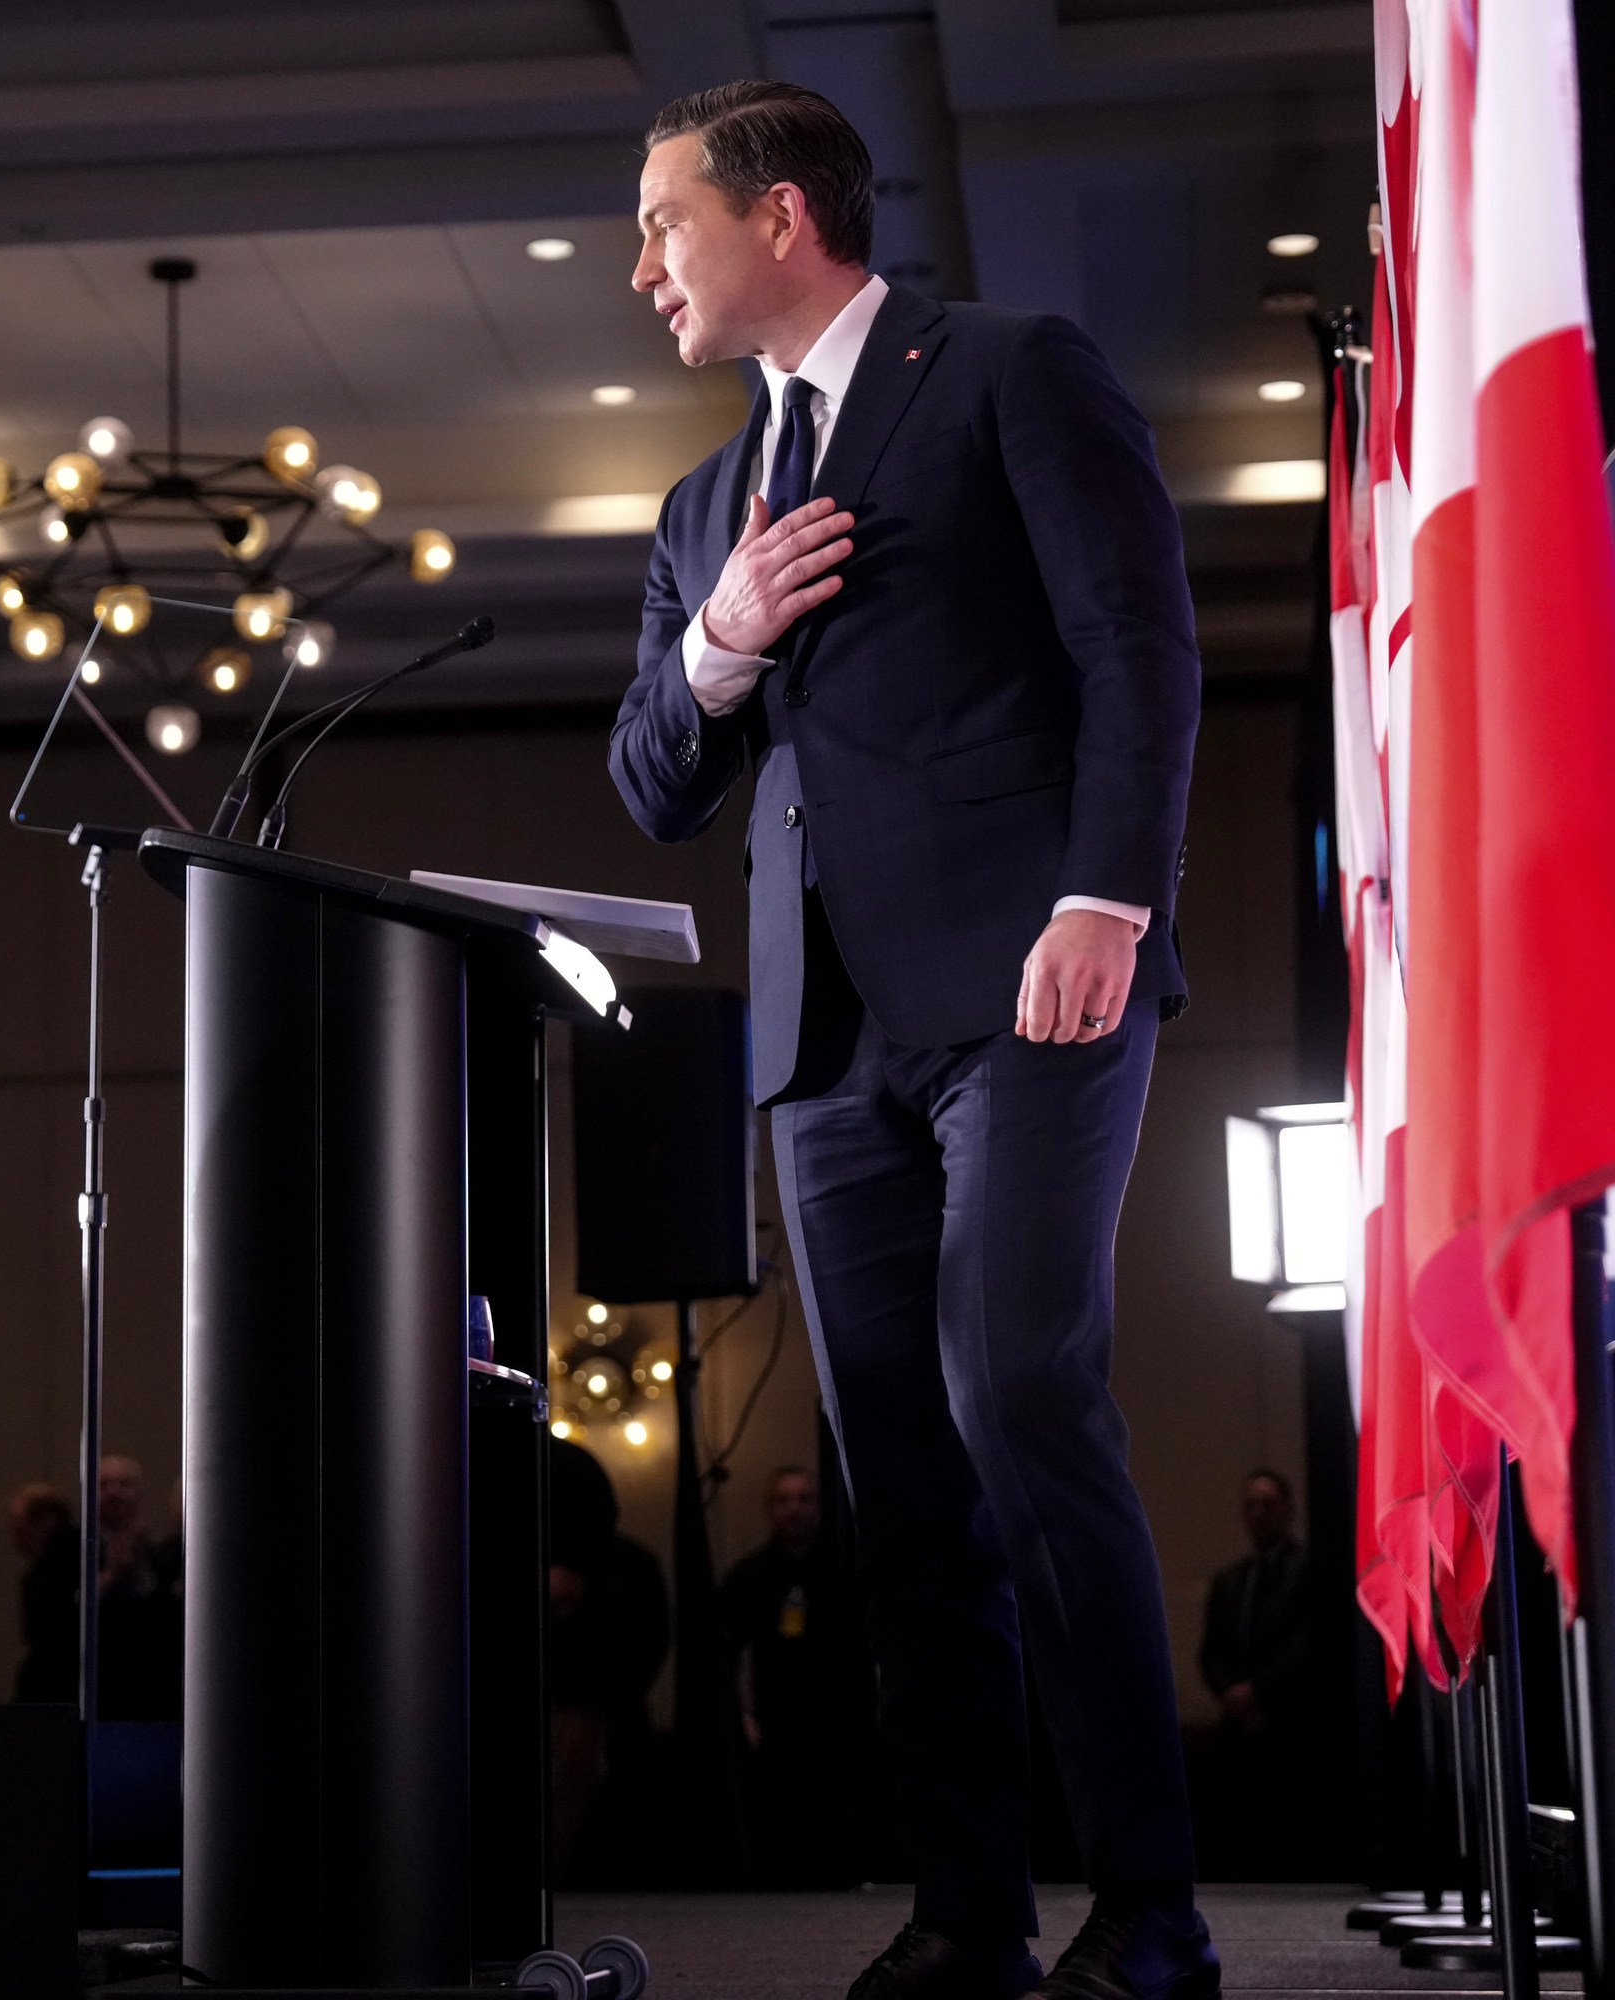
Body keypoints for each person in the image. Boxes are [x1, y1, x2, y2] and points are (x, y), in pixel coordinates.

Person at [608, 80, 1209, 2000]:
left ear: (782, 218)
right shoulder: (706, 506)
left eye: (665, 226)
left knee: (1024, 1397)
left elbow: (1138, 643)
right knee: (897, 1489)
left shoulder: (1011, 367)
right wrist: (715, 643)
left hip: (1034, 978)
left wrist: (1108, 898)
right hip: (827, 1047)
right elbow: (651, 784)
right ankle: (970, 1918)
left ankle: (1156, 1913)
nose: (643, 271)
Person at [723, 1465, 878, 1886]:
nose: (794, 1509)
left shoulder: (849, 1572)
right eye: (783, 1499)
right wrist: (744, 1716)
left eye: (803, 1498)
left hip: (842, 1721)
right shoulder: (749, 1576)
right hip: (778, 1725)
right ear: (769, 1510)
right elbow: (725, 1655)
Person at [544, 1434, 668, 1881]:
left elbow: (650, 1639)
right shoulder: (624, 1566)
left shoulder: (627, 1571)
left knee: (571, 1782)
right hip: (592, 1685)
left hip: (589, 1686)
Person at [1197, 1470, 1312, 1875]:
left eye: (1268, 1503)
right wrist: (1231, 1694)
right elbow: (1210, 1652)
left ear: (1288, 1510)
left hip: (1290, 1723)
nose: (1259, 1513)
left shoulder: (1310, 1572)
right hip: (1236, 1726)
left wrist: (1258, 1692)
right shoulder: (1230, 1581)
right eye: (1251, 1505)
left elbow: (1307, 1644)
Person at [95, 1454, 184, 1721]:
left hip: (153, 1692)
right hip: (99, 1686)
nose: (114, 1493)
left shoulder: (165, 1556)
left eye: (123, 1484)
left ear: (139, 1493)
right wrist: (112, 1574)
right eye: (104, 1485)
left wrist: (137, 1574)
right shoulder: (70, 1555)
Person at [8, 1481, 78, 1703]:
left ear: (47, 1521)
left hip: (61, 1684)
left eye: (20, 1530)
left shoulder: (65, 1567)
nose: (17, 1541)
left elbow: (47, 1631)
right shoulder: (43, 1569)